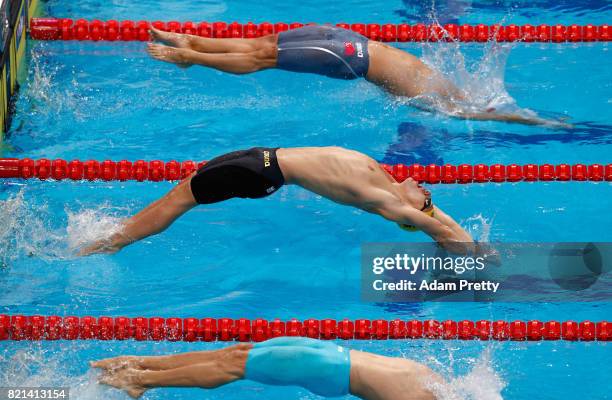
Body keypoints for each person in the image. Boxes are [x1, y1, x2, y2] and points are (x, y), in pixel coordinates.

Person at [79, 146, 476, 256]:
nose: (426, 189)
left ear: (407, 212)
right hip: (260, 157)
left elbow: (434, 225)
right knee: (179, 192)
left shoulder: (384, 201)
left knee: (178, 202)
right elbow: (434, 217)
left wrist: (475, 254)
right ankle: (113, 235)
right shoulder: (388, 182)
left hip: (261, 173)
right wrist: (435, 219)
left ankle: (107, 244)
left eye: (425, 197)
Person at [146, 25, 567, 127]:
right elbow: (479, 115)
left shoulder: (439, 79)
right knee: (261, 58)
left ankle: (188, 40)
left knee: (261, 43)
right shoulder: (451, 102)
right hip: (351, 58)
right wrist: (530, 121)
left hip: (347, 37)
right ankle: (190, 56)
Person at [93, 336, 443, 400]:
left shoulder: (442, 388)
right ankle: (138, 378)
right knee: (231, 365)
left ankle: (136, 365)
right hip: (326, 366)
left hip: (330, 352)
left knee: (231, 357)